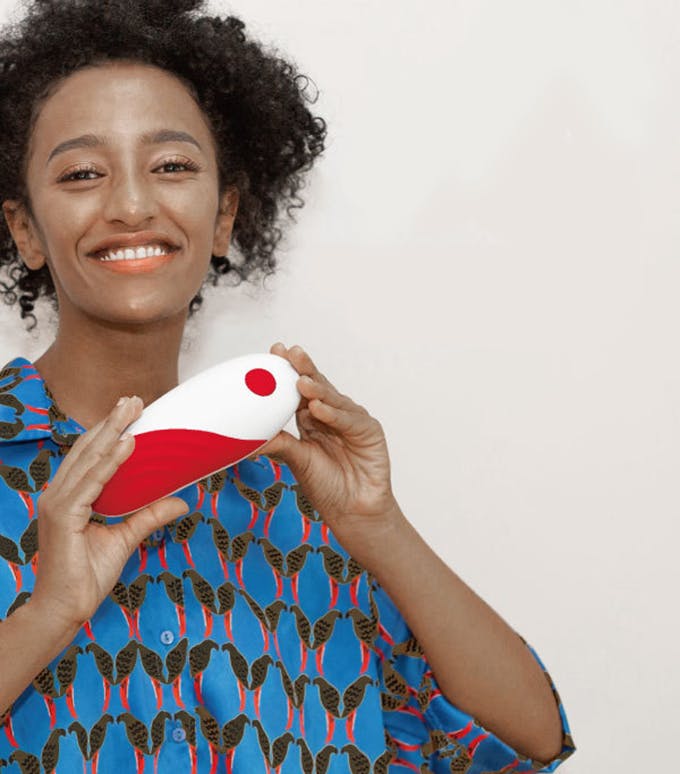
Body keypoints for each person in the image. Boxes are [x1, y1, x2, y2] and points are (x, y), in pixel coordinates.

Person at [0, 1, 576, 771]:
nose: (132, 204)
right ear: (25, 230)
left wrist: (378, 526)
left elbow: (530, 742)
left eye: (171, 166)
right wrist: (48, 614)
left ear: (225, 215)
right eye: (81, 174)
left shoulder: (297, 491)